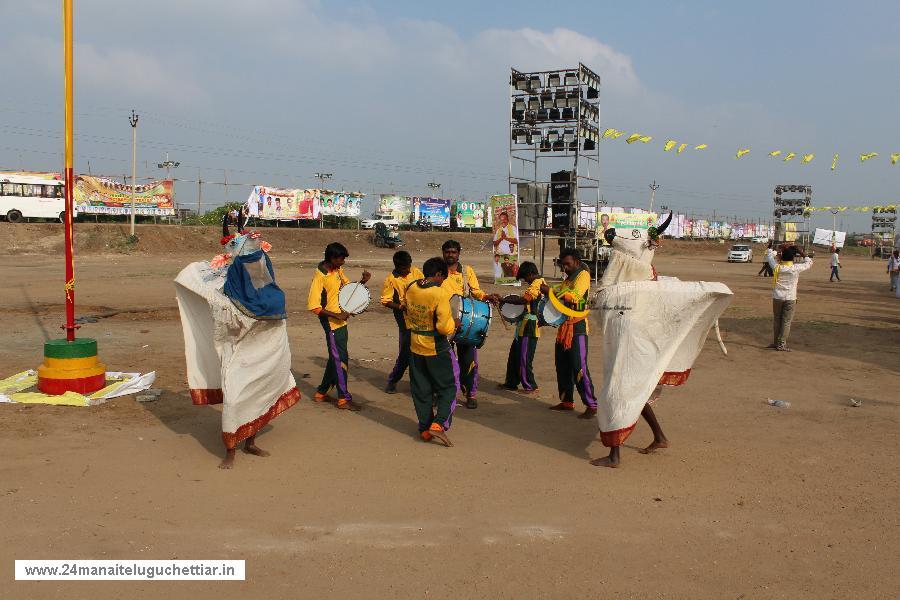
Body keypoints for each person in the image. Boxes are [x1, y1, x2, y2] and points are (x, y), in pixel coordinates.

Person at [590, 215, 732, 468]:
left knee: (618, 389)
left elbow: (615, 241)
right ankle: (660, 436)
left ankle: (614, 456)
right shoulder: (646, 282)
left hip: (630, 336)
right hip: (636, 335)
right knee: (635, 389)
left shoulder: (633, 284)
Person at [175, 231, 299, 469]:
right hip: (238, 356)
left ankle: (250, 442)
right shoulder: (226, 294)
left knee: (261, 395)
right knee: (234, 399)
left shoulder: (272, 295)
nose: (257, 270)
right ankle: (230, 449)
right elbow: (191, 278)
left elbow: (277, 331)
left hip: (265, 357)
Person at [306, 242, 371, 410]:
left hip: (341, 321)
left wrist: (362, 282)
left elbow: (348, 290)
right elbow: (314, 306)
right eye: (340, 259)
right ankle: (344, 398)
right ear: (332, 258)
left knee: (336, 357)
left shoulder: (338, 270)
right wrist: (337, 315)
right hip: (331, 323)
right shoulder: (320, 276)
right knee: (340, 359)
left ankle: (321, 392)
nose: (343, 263)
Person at [404, 257, 461, 447]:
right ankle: (439, 423)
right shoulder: (439, 293)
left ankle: (424, 427)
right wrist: (455, 323)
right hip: (435, 346)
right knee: (450, 386)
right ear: (438, 274)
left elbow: (405, 310)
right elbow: (445, 328)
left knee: (421, 388)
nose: (443, 281)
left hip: (414, 344)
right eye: (443, 277)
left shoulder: (411, 286)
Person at [440, 240, 499, 409]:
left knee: (469, 360)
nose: (450, 255)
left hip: (465, 321)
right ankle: (444, 394)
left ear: (459, 253)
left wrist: (486, 297)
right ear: (443, 252)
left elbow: (476, 291)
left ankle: (470, 394)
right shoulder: (438, 270)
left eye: (453, 252)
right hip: (443, 320)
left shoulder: (467, 271)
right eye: (447, 252)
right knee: (443, 362)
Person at [541, 248, 598, 418]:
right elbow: (557, 297)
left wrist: (550, 291)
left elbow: (575, 296)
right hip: (564, 328)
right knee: (563, 366)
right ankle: (567, 401)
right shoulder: (568, 279)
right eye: (562, 264)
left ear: (577, 263)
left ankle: (592, 404)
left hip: (578, 328)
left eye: (567, 264)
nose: (564, 267)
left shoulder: (583, 275)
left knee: (579, 367)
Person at [380, 250, 424, 393]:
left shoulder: (416, 272)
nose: (407, 270)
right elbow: (385, 301)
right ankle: (393, 380)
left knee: (422, 353)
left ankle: (420, 384)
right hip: (404, 320)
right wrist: (400, 306)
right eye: (404, 268)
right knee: (405, 354)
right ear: (397, 267)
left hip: (420, 317)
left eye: (408, 267)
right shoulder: (391, 279)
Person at [500, 261, 545, 393]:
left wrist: (504, 300)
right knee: (515, 354)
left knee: (524, 357)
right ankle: (511, 382)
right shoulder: (537, 282)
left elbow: (524, 300)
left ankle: (530, 385)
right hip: (524, 324)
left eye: (525, 278)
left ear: (530, 274)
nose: (525, 280)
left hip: (530, 326)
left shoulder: (537, 284)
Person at [771, 245, 813, 352]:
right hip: (790, 297)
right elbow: (809, 262)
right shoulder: (796, 268)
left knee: (777, 320)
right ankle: (781, 344)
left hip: (777, 297)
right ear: (793, 257)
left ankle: (776, 342)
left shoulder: (777, 267)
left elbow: (769, 256)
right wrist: (801, 251)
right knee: (786, 322)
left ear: (781, 257)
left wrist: (778, 250)